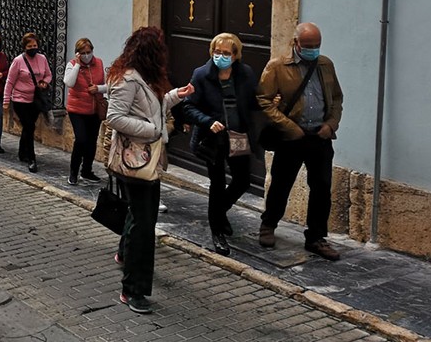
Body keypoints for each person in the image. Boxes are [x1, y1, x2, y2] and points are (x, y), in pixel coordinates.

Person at [106, 26, 193, 314]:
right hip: (135, 160)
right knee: (145, 224)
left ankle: (125, 255)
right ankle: (132, 290)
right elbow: (115, 117)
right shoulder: (128, 79)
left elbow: (150, 109)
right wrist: (152, 131)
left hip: (147, 159)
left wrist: (175, 96)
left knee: (139, 216)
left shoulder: (145, 78)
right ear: (150, 52)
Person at [256, 22, 344, 261]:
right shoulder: (277, 67)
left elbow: (336, 98)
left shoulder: (325, 65)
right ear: (295, 43)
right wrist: (289, 128)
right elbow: (263, 101)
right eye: (307, 46)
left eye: (317, 46)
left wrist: (331, 124)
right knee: (281, 184)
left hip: (320, 137)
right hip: (291, 137)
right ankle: (268, 224)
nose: (312, 50)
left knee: (321, 188)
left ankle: (316, 237)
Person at [182, 33, 260, 257]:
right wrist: (208, 121)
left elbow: (252, 101)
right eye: (217, 52)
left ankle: (219, 213)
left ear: (235, 55)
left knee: (242, 180)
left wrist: (268, 101)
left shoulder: (245, 74)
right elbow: (188, 107)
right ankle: (217, 232)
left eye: (226, 53)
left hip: (238, 136)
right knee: (216, 184)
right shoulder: (201, 75)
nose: (221, 56)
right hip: (213, 140)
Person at [4, 32, 52, 173]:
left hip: (36, 99)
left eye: (35, 45)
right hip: (20, 99)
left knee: (28, 127)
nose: (33, 48)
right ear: (24, 47)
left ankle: (22, 152)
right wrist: (6, 100)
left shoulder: (42, 59)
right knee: (29, 126)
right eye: (30, 46)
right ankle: (32, 158)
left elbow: (48, 74)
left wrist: (44, 82)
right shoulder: (18, 61)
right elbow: (10, 81)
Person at [64, 38, 107, 185]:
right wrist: (77, 65)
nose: (86, 55)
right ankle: (73, 172)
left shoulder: (99, 63)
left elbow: (108, 85)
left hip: (95, 109)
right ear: (78, 54)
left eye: (89, 52)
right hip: (77, 109)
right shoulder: (72, 65)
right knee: (81, 139)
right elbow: (69, 82)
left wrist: (99, 89)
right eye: (83, 53)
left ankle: (87, 171)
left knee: (92, 141)